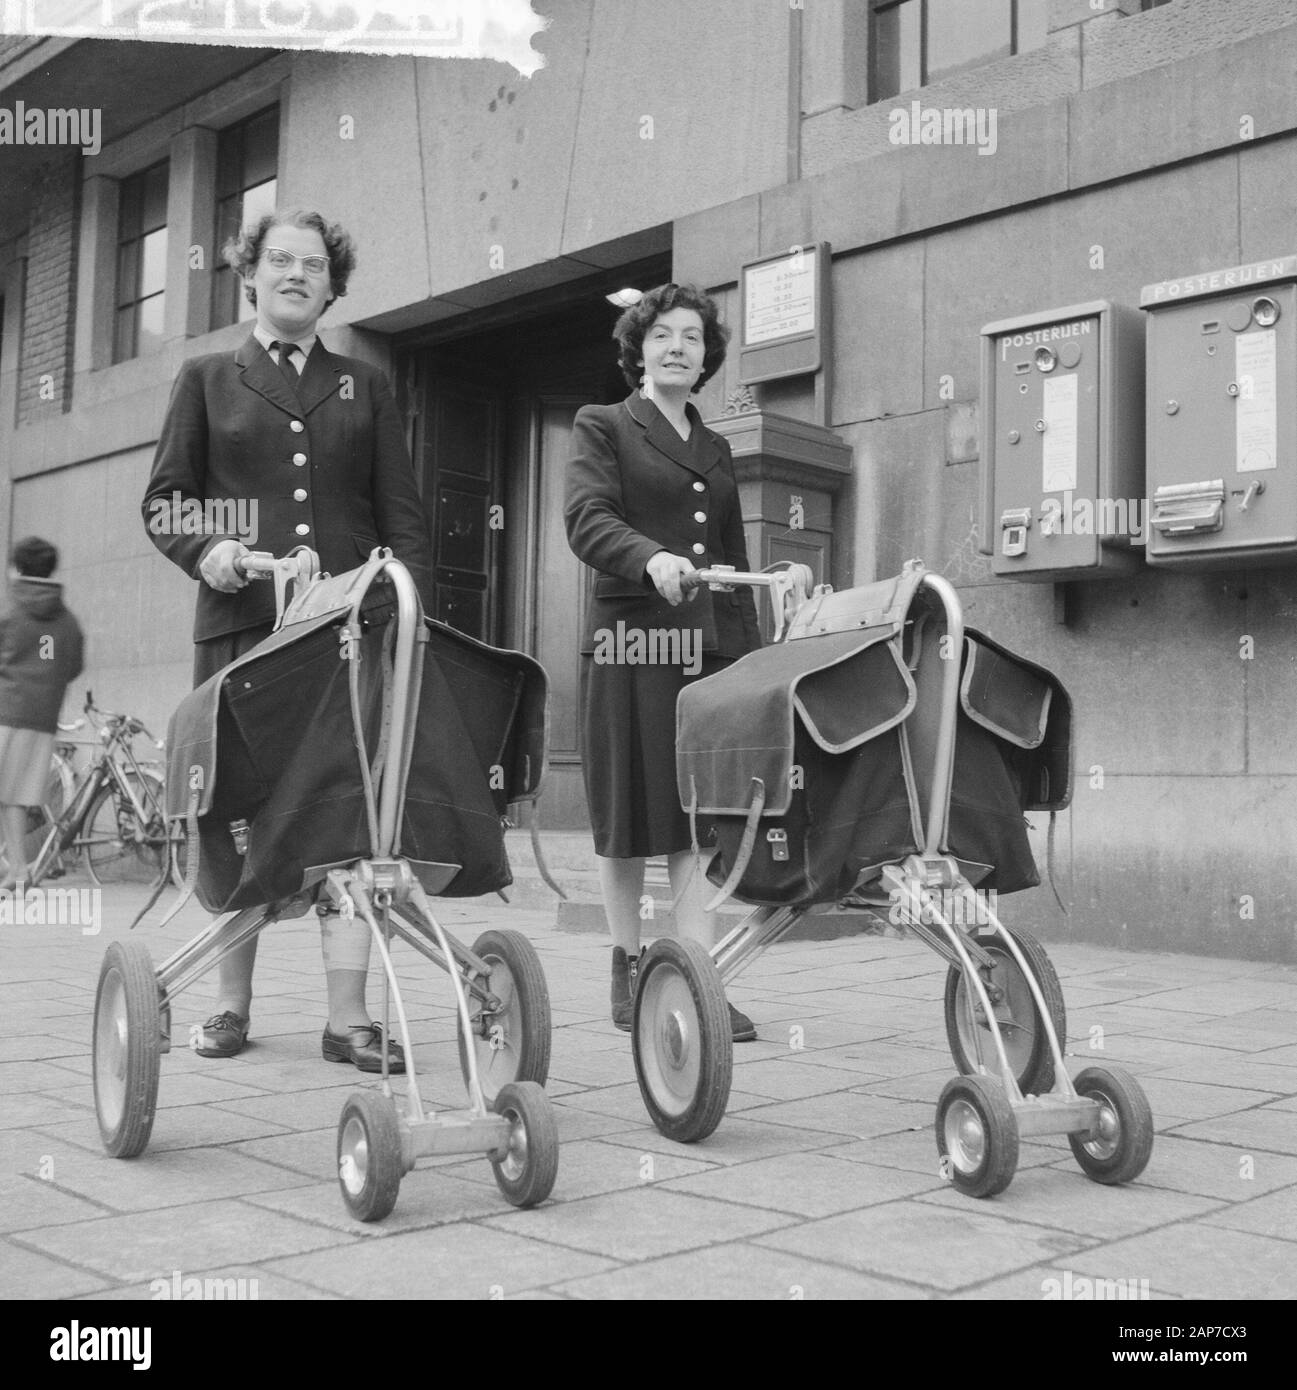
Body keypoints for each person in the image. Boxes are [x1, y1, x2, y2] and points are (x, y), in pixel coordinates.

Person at [142, 207, 436, 1071]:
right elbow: (165, 501)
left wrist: (404, 611)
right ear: (251, 275)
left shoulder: (366, 386)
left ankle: (348, 1019)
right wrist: (211, 549)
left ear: (331, 284)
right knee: (239, 810)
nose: (296, 274)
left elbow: (403, 516)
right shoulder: (205, 378)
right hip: (243, 630)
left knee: (352, 814)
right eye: (280, 260)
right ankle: (231, 1006)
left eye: (313, 264)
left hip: (347, 633)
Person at [565, 282, 762, 1040]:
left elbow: (732, 556)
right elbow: (587, 519)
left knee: (692, 820)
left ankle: (693, 975)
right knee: (630, 817)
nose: (677, 346)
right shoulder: (604, 424)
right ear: (637, 350)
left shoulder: (714, 448)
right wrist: (649, 561)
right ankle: (624, 958)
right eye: (662, 336)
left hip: (704, 650)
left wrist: (750, 657)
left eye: (690, 337)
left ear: (706, 355)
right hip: (630, 644)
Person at [0, 538, 85, 891]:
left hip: (5, 711)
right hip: (42, 717)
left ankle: (17, 869)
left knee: (9, 793)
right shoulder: (66, 619)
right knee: (16, 794)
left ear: (16, 568)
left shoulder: (8, 608)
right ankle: (18, 870)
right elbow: (72, 665)